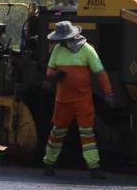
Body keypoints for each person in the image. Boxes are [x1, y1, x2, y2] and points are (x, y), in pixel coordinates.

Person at [43, 20, 115, 179]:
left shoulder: (87, 50)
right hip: (62, 101)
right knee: (57, 134)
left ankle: (94, 167)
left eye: (61, 39)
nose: (58, 42)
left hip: (82, 101)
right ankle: (48, 164)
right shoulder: (57, 50)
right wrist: (54, 76)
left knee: (87, 135)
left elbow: (100, 72)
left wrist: (108, 93)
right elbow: (49, 71)